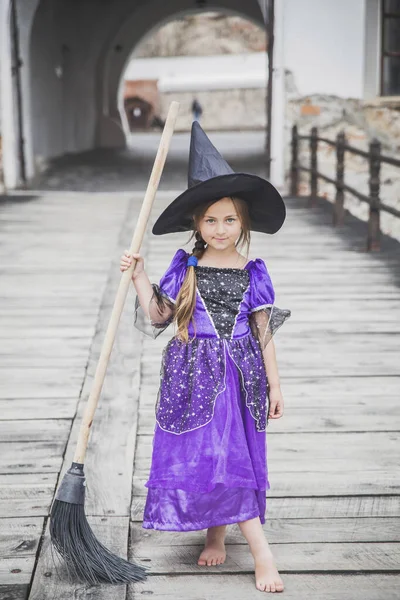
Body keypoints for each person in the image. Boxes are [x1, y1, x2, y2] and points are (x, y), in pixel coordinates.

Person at [120, 122, 291, 593]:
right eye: (210, 220)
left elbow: (263, 334)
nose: (220, 229)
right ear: (197, 223)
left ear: (244, 223)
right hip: (193, 375)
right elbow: (159, 316)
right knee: (214, 451)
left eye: (230, 219)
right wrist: (139, 278)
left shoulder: (253, 272)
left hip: (240, 375)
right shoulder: (185, 267)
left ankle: (258, 552)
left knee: (235, 453)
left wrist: (275, 385)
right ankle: (222, 533)